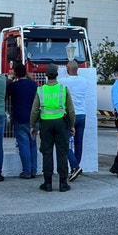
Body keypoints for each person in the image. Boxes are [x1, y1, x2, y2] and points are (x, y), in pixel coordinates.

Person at [30, 64, 75, 192]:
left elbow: (34, 110)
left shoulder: (40, 90)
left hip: (45, 124)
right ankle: (63, 183)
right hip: (61, 123)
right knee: (62, 152)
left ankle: (48, 183)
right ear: (57, 74)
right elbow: (71, 110)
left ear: (45, 75)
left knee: (47, 152)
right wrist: (72, 125)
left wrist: (32, 125)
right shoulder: (63, 89)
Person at [6, 63, 38, 179]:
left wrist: (10, 79)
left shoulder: (14, 86)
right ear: (25, 72)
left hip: (19, 118)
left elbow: (6, 92)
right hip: (33, 119)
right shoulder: (33, 85)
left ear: (15, 73)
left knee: (23, 144)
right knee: (33, 145)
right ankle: (34, 170)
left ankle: (27, 171)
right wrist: (29, 76)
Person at [59, 60, 88, 182]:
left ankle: (75, 167)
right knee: (78, 143)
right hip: (82, 114)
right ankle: (74, 169)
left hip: (70, 115)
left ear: (67, 69)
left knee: (65, 143)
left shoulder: (64, 82)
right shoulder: (84, 81)